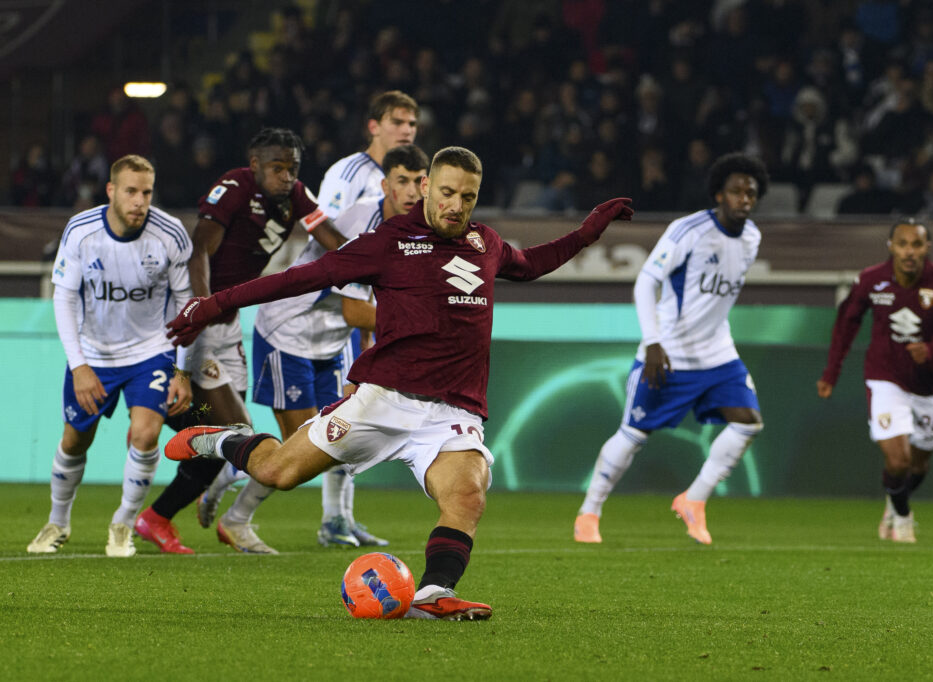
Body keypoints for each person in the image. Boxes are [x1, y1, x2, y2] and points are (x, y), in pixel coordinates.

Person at [163, 147, 633, 619]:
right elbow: (302, 278)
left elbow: (530, 263)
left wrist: (587, 232)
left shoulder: (484, 244)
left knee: (467, 494)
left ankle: (432, 594)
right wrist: (212, 304)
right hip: (383, 400)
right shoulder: (388, 241)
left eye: (467, 197)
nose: (456, 205)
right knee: (277, 473)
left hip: (452, 410)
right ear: (426, 186)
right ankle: (221, 439)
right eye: (447, 192)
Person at [203, 144, 429, 549]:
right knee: (303, 446)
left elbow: (366, 311)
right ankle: (234, 490)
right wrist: (422, 323)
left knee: (340, 439)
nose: (411, 190)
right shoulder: (364, 225)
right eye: (402, 181)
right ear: (385, 184)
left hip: (332, 342)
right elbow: (355, 310)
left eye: (418, 181)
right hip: (290, 333)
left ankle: (335, 522)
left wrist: (363, 366)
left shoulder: (415, 232)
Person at [133, 128, 345, 554]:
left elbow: (334, 241)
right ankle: (150, 517)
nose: (287, 177)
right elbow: (200, 251)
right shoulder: (233, 188)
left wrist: (373, 261)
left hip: (229, 325)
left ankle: (158, 517)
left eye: (293, 168)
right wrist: (201, 308)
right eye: (277, 168)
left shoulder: (296, 195)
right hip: (200, 323)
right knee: (233, 434)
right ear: (254, 166)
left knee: (231, 435)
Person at [574, 152, 769, 546]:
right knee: (633, 434)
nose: (745, 199)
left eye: (751, 192)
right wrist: (653, 342)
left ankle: (694, 500)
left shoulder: (752, 238)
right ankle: (589, 511)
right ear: (719, 194)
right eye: (736, 191)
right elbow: (646, 283)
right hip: (670, 353)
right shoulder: (689, 231)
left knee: (748, 421)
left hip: (718, 354)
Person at [27, 155, 193, 557]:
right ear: (112, 191)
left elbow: (187, 304)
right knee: (74, 441)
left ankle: (122, 523)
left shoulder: (170, 234)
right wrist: (79, 364)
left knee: (146, 433)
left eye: (147, 192)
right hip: (94, 354)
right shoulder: (82, 232)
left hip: (150, 351)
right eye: (131, 192)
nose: (140, 201)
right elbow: (64, 298)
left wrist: (181, 370)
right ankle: (58, 521)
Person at [816, 219, 933, 543]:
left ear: (926, 248)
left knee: (918, 466)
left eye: (916, 244)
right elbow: (845, 325)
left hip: (929, 387)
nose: (909, 251)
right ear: (890, 246)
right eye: (902, 243)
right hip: (884, 378)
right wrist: (831, 373)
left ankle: (894, 503)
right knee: (898, 459)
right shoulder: (871, 280)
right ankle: (903, 520)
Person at [307, 89, 419, 546]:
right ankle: (228, 489)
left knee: (350, 408)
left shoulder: (408, 179)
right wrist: (356, 271)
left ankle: (340, 517)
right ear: (373, 126)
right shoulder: (349, 172)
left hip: (355, 306)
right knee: (317, 422)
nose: (406, 130)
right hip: (322, 305)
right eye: (397, 121)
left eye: (412, 123)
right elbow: (323, 229)